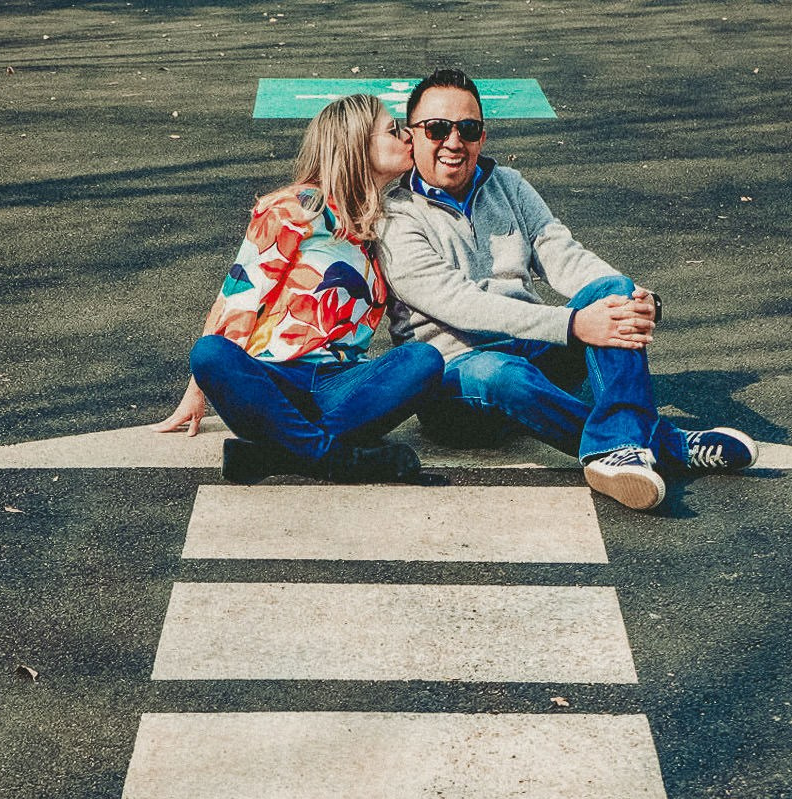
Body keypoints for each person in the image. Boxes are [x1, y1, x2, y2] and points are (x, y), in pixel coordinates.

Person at [376, 69, 758, 511]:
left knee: (610, 288)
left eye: (469, 128)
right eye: (437, 129)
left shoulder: (509, 186)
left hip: (530, 347)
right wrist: (575, 324)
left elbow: (562, 253)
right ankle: (665, 444)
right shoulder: (394, 217)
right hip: (455, 381)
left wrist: (634, 296)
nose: (454, 142)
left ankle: (618, 449)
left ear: (483, 134)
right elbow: (461, 305)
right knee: (501, 372)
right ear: (413, 135)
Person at [157, 93, 443, 482]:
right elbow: (238, 299)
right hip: (274, 384)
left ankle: (278, 455)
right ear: (355, 143)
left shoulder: (385, 225)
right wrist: (197, 391)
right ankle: (338, 459)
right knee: (209, 354)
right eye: (394, 130)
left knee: (422, 361)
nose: (408, 137)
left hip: (340, 387)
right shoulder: (295, 209)